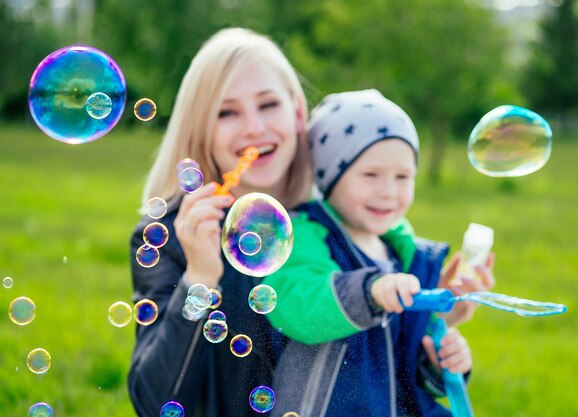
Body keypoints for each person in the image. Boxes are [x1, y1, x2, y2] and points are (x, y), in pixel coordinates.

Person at [264, 89, 494, 417]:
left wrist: (437, 358)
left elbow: (401, 369)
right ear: (329, 176)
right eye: (370, 175)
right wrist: (369, 292)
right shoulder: (306, 234)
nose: (388, 191)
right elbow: (300, 306)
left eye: (403, 177)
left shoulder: (402, 255)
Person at [127, 27, 312, 417]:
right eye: (227, 112)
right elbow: (153, 400)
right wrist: (199, 279)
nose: (253, 128)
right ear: (201, 131)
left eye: (267, 104)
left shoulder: (330, 220)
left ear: (297, 111)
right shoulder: (170, 238)